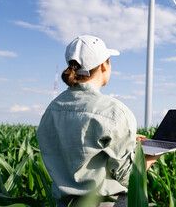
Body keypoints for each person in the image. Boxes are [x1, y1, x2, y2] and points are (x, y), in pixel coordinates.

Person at [36, 35, 160, 207]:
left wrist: (129, 141)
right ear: (104, 65)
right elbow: (128, 177)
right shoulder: (115, 112)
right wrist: (155, 154)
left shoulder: (52, 109)